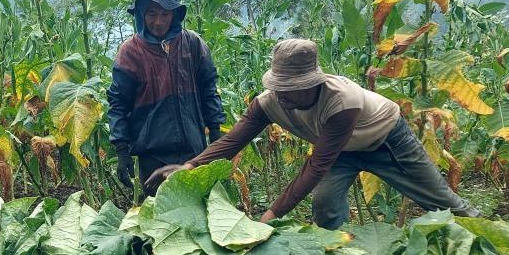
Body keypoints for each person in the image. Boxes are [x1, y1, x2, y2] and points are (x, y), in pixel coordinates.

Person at [146, 39, 481, 228]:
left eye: (292, 89)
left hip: (385, 140)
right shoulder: (270, 103)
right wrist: (189, 166)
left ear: (312, 83)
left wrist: (271, 215)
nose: (285, 97)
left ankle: (493, 240)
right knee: (325, 205)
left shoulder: (342, 102)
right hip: (340, 152)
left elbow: (316, 166)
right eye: (280, 88)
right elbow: (233, 140)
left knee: (441, 202)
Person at [107, 0, 225, 191]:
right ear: (142, 15)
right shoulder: (130, 52)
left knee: (196, 214)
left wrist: (215, 129)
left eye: (165, 14)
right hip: (152, 155)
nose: (158, 21)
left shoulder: (193, 44)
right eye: (152, 13)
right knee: (157, 217)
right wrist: (121, 150)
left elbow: (209, 89)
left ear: (175, 15)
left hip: (194, 151)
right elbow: (118, 104)